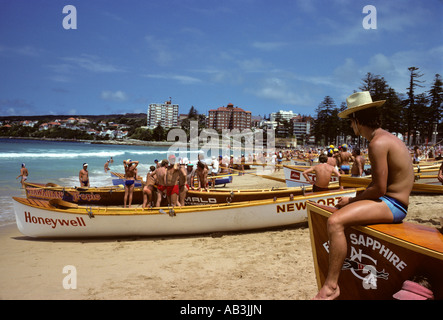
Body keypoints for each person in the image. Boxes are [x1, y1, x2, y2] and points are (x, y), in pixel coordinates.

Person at [313, 91, 414, 300]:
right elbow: (380, 184)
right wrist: (359, 196)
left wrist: (351, 200)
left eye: (351, 122)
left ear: (357, 121)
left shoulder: (377, 143)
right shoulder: (386, 138)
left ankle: (331, 286)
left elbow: (379, 189)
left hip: (393, 205)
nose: (351, 127)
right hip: (395, 201)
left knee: (335, 222)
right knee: (344, 212)